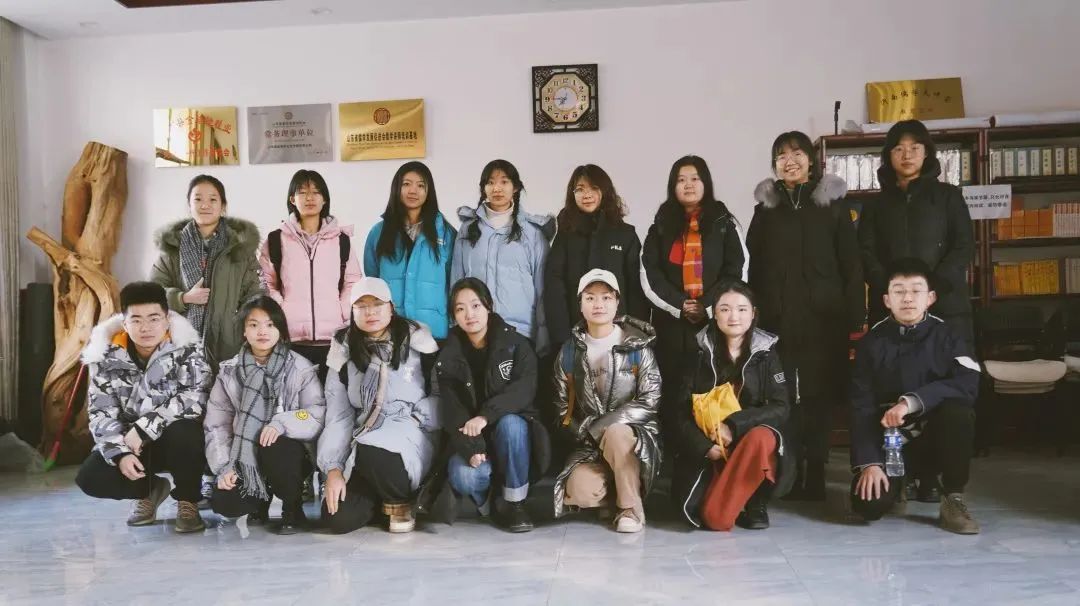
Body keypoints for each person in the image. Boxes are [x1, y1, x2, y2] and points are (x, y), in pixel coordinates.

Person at [747, 131, 865, 500]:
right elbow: (753, 267)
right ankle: (790, 466)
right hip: (777, 320)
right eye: (781, 155)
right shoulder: (765, 213)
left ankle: (817, 467)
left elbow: (852, 265)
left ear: (811, 161)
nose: (790, 161)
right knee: (783, 395)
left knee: (819, 394)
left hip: (824, 319)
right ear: (775, 165)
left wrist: (855, 317)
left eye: (797, 153)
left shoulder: (833, 208)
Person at [849, 258, 980, 535]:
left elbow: (968, 383)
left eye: (916, 291)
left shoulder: (949, 336)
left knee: (959, 412)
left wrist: (911, 402)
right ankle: (899, 482)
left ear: (930, 298)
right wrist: (870, 462)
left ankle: (953, 497)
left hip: (936, 436)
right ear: (887, 300)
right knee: (868, 506)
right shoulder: (871, 343)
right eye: (899, 291)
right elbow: (861, 405)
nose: (907, 298)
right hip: (890, 442)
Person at [75, 281, 212, 533]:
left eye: (153, 318)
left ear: (167, 319)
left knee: (187, 432)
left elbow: (195, 399)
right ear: (124, 323)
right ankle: (148, 490)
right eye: (136, 320)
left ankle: (188, 500)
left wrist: (143, 428)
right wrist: (120, 453)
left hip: (175, 442)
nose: (145, 328)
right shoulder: (105, 357)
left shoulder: (187, 349)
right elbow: (101, 413)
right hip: (132, 444)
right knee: (90, 477)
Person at [317, 277, 441, 534]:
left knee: (374, 453)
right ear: (352, 312)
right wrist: (333, 468)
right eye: (361, 306)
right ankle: (384, 502)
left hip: (411, 430)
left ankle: (402, 502)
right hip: (364, 436)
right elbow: (339, 415)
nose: (370, 312)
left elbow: (443, 395)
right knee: (337, 518)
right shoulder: (343, 350)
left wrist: (418, 418)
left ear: (391, 308)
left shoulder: (418, 342)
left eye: (377, 304)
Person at [670, 280, 793, 531]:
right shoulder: (698, 352)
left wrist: (733, 425)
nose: (733, 316)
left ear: (753, 313)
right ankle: (732, 501)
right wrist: (705, 447)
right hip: (713, 448)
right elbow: (679, 411)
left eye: (741, 309)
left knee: (761, 437)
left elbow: (781, 407)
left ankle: (756, 501)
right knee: (714, 518)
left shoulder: (767, 354)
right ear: (714, 314)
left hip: (750, 446)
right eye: (725, 309)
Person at [641, 155, 746, 445]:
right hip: (671, 325)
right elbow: (649, 273)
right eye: (681, 180)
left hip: (715, 322)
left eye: (695, 178)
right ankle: (676, 452)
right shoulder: (661, 224)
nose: (688, 185)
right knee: (672, 389)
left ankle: (715, 451)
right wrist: (680, 305)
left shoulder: (724, 222)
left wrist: (708, 306)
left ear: (706, 183)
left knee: (714, 387)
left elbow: (737, 271)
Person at [435, 277, 551, 533]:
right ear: (454, 316)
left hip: (512, 439)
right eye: (460, 309)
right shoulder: (448, 356)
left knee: (511, 424)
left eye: (475, 305)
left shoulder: (516, 345)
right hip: (474, 438)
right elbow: (453, 410)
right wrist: (471, 447)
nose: (469, 314)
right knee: (464, 475)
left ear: (489, 306)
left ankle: (515, 503)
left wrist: (486, 416)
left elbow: (523, 391)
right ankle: (487, 504)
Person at [204, 295, 325, 535]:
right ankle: (259, 500)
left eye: (270, 324)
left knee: (276, 445)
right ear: (244, 331)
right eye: (253, 324)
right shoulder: (229, 372)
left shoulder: (300, 367)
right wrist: (224, 466)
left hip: (290, 454)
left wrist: (281, 424)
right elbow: (217, 426)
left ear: (281, 330)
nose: (262, 331)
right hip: (245, 454)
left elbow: (315, 415)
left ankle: (292, 507)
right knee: (225, 502)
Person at [552, 269, 661, 533]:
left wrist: (602, 426)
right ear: (580, 304)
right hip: (590, 445)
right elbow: (563, 410)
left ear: (617, 302)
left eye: (606, 297)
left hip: (634, 438)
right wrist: (584, 432)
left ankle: (630, 509)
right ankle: (622, 487)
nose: (598, 304)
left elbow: (650, 400)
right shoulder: (569, 353)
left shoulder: (637, 346)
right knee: (578, 490)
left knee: (615, 433)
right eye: (590, 298)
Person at [858, 119, 975, 346]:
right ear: (889, 155)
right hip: (889, 307)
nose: (907, 155)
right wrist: (893, 289)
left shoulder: (949, 196)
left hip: (944, 304)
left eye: (914, 148)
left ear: (926, 153)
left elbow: (964, 246)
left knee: (948, 364)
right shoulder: (875, 204)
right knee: (890, 365)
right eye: (899, 149)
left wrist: (930, 288)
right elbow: (865, 251)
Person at [258, 169, 363, 381]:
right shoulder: (276, 239)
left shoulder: (341, 240)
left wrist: (342, 312)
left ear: (325, 199)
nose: (310, 198)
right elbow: (265, 281)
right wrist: (282, 307)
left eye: (316, 192)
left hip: (333, 339)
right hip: (290, 339)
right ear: (292, 199)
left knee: (333, 394)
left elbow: (352, 280)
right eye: (303, 192)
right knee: (294, 395)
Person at [151, 174, 262, 370]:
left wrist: (238, 325)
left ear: (223, 206)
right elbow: (152, 294)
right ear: (189, 205)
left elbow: (254, 294)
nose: (205, 205)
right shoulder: (172, 248)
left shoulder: (240, 248)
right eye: (198, 199)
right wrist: (183, 298)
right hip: (179, 344)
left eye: (212, 199)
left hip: (230, 345)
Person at [451, 159, 554, 356]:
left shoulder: (533, 233)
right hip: (475, 332)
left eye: (504, 182)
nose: (497, 188)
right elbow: (457, 281)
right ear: (483, 189)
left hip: (520, 331)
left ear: (515, 187)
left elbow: (542, 288)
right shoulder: (468, 229)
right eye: (490, 182)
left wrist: (542, 334)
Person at [544, 164, 647, 348]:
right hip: (575, 334)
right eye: (580, 189)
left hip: (620, 334)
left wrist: (635, 334)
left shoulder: (625, 234)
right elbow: (554, 287)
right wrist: (562, 339)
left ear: (605, 191)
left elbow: (636, 289)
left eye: (594, 188)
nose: (587, 195)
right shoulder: (565, 236)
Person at [364, 161, 456, 340]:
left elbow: (454, 281)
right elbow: (372, 279)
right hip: (391, 332)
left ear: (429, 192)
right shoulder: (379, 232)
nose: (413, 191)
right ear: (396, 188)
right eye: (406, 184)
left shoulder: (446, 233)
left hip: (434, 332)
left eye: (420, 185)